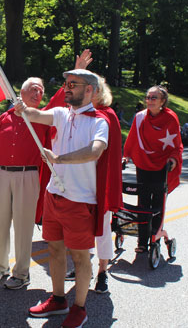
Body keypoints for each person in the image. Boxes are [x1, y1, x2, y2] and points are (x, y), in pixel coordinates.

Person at [16, 68, 109, 328]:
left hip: (80, 201)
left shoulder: (99, 121)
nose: (67, 88)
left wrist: (59, 159)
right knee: (54, 249)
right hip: (53, 195)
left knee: (80, 257)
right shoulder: (60, 114)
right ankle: (58, 299)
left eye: (73, 84)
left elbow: (95, 151)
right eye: (66, 83)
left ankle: (79, 308)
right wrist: (22, 108)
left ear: (89, 90)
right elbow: (36, 115)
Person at [0, 78, 48, 289]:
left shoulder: (42, 118)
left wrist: (76, 72)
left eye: (41, 91)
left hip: (28, 175)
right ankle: (1, 266)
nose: (37, 94)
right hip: (2, 175)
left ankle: (22, 273)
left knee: (24, 227)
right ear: (21, 93)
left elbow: (61, 101)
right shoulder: (4, 118)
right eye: (33, 90)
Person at [66, 75, 123, 294]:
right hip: (80, 181)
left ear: (96, 92)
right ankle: (82, 267)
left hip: (100, 183)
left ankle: (102, 271)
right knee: (78, 229)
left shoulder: (106, 116)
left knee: (102, 230)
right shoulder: (79, 115)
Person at [123, 85, 183, 253]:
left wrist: (173, 160)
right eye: (148, 97)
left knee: (158, 202)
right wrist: (126, 155)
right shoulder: (140, 117)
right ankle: (142, 241)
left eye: (153, 98)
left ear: (163, 101)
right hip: (143, 163)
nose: (149, 101)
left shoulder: (171, 118)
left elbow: (176, 145)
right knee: (142, 202)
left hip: (162, 166)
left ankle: (154, 236)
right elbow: (132, 138)